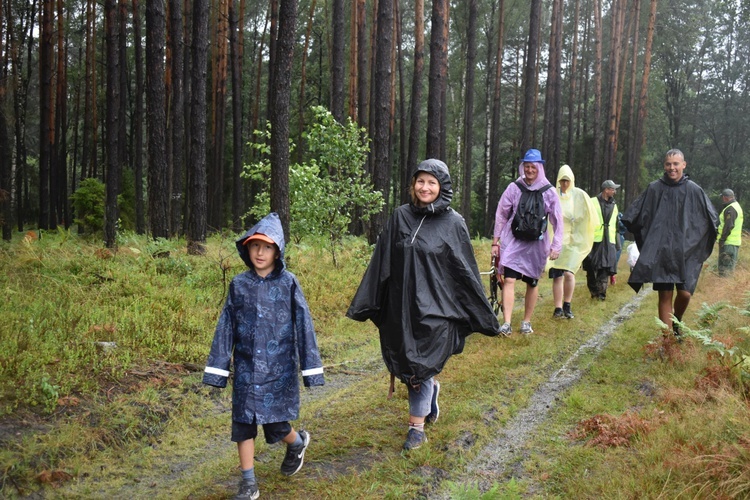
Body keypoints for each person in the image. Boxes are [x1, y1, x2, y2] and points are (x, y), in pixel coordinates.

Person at [347, 159, 500, 451]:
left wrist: (479, 312)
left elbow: (464, 269)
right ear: (413, 185)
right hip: (403, 306)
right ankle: (429, 393)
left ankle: (416, 429)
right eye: (420, 181)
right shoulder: (399, 217)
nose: (425, 187)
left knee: (420, 366)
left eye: (432, 182)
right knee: (408, 362)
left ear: (442, 186)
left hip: (438, 309)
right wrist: (370, 301)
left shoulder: (454, 223)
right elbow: (383, 261)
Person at [203, 212, 325, 500]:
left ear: (277, 251)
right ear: (247, 247)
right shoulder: (239, 284)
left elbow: (303, 325)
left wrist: (311, 369)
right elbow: (226, 326)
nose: (260, 252)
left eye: (267, 247)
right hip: (245, 369)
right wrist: (218, 369)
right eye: (255, 245)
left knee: (275, 424)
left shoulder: (289, 283)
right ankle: (248, 482)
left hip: (279, 369)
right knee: (243, 423)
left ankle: (296, 442)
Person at [621, 149, 719, 338]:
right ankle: (667, 343)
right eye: (668, 164)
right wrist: (649, 241)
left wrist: (696, 242)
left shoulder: (694, 190)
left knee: (685, 294)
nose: (672, 168)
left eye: (676, 164)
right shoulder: (654, 188)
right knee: (665, 295)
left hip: (686, 253)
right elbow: (637, 215)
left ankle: (677, 320)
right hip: (663, 252)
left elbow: (710, 219)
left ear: (684, 165)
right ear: (664, 165)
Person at [492, 149, 563, 335]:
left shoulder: (549, 192)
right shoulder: (514, 188)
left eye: (533, 166)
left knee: (532, 282)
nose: (530, 170)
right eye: (527, 166)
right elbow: (501, 214)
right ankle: (506, 323)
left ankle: (526, 322)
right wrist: (495, 241)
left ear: (539, 167)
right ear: (522, 167)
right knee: (509, 279)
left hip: (536, 245)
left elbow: (558, 220)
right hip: (513, 241)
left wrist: (556, 245)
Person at [546, 164, 596, 319]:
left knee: (569, 273)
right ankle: (558, 307)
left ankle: (567, 304)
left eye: (567, 181)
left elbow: (589, 215)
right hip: (557, 241)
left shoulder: (579, 195)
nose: (565, 184)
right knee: (557, 274)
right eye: (562, 181)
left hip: (573, 242)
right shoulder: (553, 194)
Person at [583, 180, 621, 300]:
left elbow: (616, 225)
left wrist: (617, 242)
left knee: (605, 268)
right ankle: (594, 291)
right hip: (594, 240)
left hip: (609, 240)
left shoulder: (614, 205)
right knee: (591, 267)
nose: (614, 191)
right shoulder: (592, 201)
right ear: (606, 190)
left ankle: (601, 295)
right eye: (613, 189)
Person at [717, 188, 743, 276]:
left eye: (722, 197)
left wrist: (722, 239)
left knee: (725, 270)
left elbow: (728, 226)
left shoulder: (730, 209)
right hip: (733, 243)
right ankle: (727, 288)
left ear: (725, 197)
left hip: (728, 243)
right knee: (728, 268)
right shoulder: (736, 206)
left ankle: (724, 288)